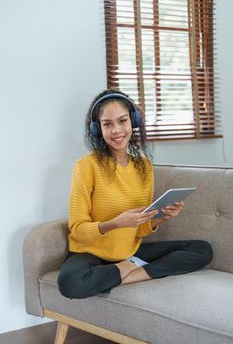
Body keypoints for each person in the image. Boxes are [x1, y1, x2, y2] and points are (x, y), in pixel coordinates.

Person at [58, 89, 213, 299]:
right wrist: (115, 223)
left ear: (134, 121)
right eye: (107, 124)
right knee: (70, 282)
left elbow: (139, 228)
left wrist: (159, 218)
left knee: (201, 250)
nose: (117, 130)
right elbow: (77, 230)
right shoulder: (86, 166)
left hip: (129, 252)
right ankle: (126, 269)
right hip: (90, 253)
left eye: (122, 121)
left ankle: (127, 273)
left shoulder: (144, 166)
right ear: (97, 129)